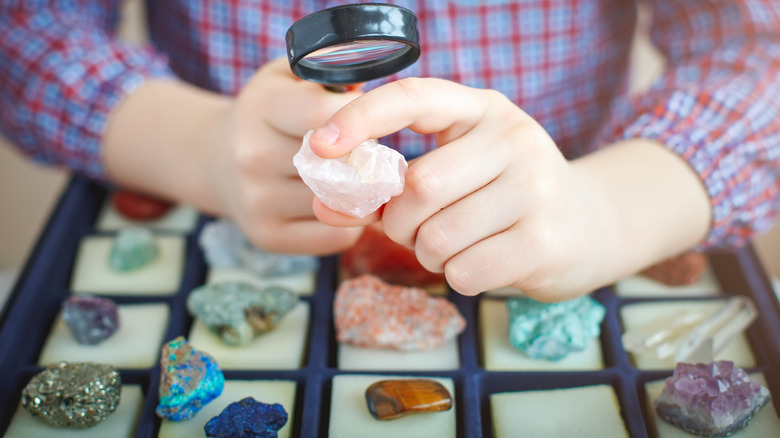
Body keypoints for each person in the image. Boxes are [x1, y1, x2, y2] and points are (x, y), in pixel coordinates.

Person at [1, 1, 778, 302]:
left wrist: (607, 207)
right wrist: (200, 146)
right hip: (224, 220)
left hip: (568, 225)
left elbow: (760, 48)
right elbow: (25, 26)